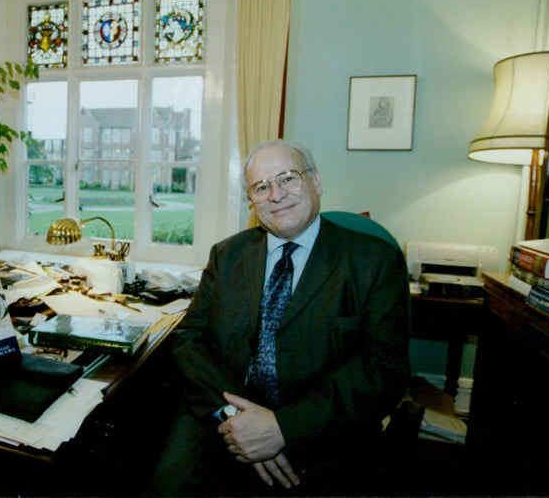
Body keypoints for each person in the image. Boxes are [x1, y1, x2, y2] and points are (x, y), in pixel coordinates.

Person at [150, 139, 410, 495]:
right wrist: (238, 421)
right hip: (223, 414)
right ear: (253, 203)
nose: (276, 194)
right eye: (261, 187)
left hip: (322, 427)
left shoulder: (374, 260)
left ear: (316, 182)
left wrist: (281, 427)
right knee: (170, 485)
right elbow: (189, 340)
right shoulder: (227, 255)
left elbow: (384, 369)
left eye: (288, 178)